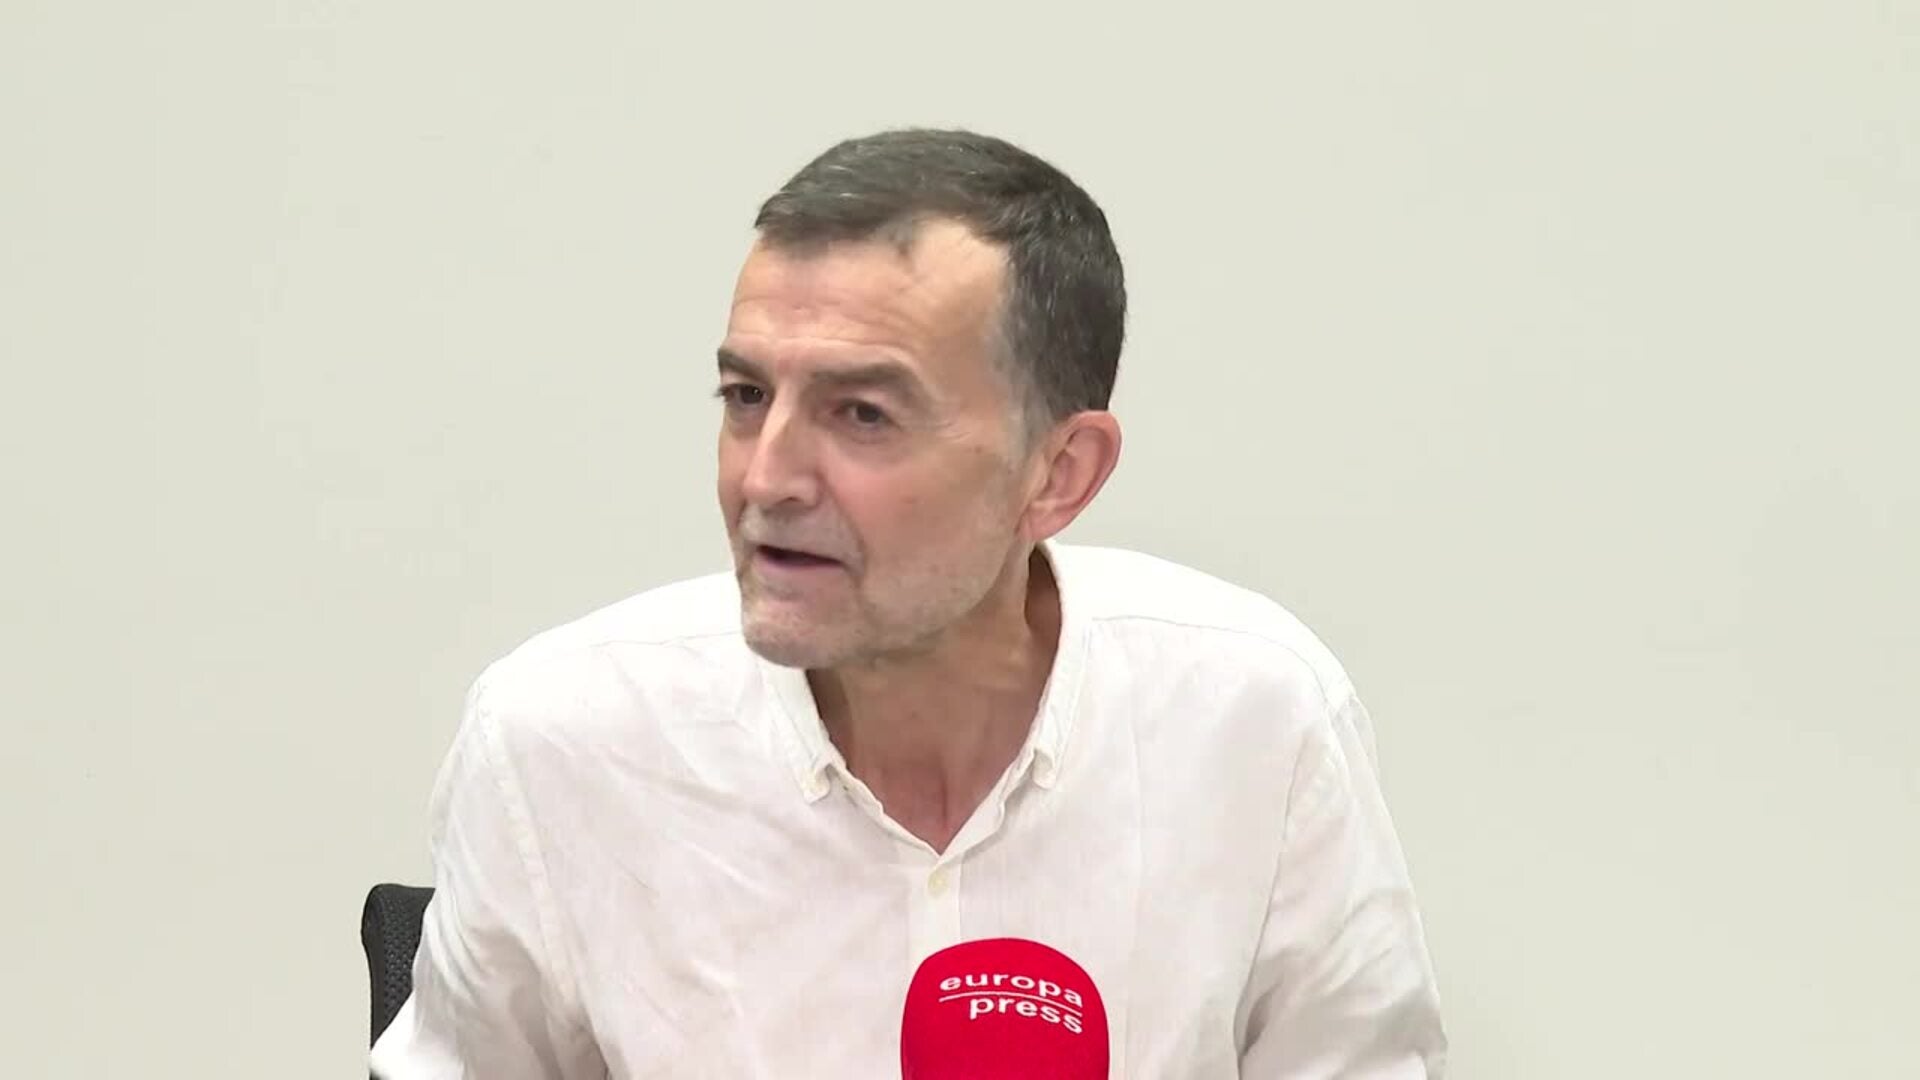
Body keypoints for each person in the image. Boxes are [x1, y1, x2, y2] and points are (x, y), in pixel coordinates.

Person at [370, 128, 1447, 1077]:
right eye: (746, 396)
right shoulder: (559, 743)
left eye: (864, 415)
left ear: (1058, 474)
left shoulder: (1256, 718)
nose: (766, 478)